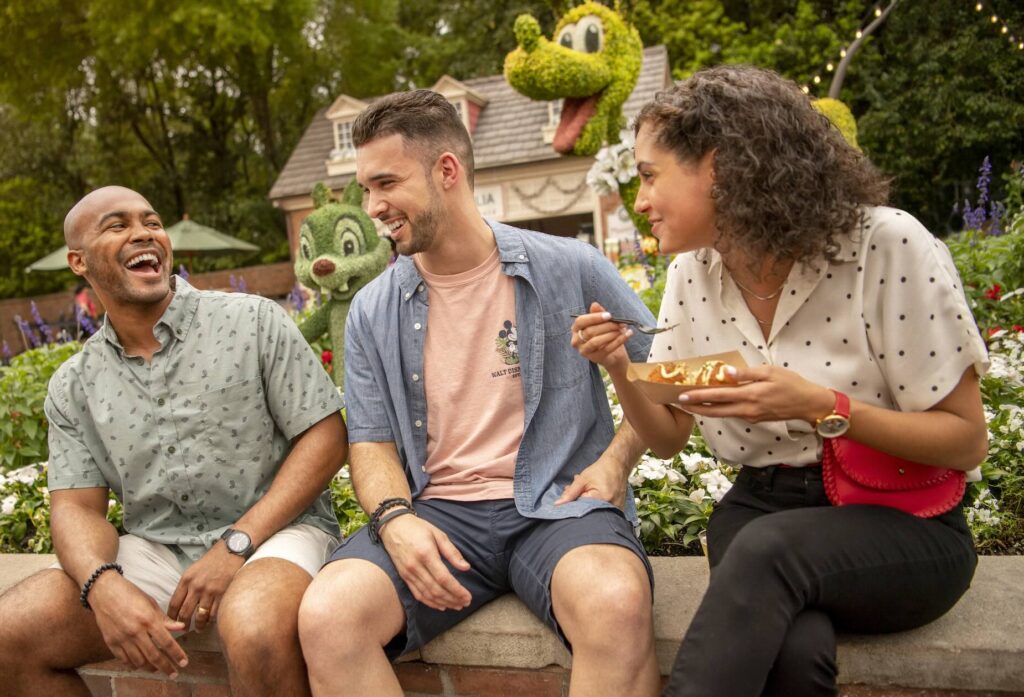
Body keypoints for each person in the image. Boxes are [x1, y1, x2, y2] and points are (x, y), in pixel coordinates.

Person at [572, 65, 989, 697]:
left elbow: (965, 441)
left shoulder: (886, 245)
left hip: (902, 520)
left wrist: (823, 405)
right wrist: (621, 369)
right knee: (793, 652)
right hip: (761, 508)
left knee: (766, 553)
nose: (640, 200)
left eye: (650, 175)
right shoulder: (692, 274)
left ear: (719, 167)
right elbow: (667, 436)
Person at [297, 89, 661, 697]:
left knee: (616, 603)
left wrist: (614, 461)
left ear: (447, 171)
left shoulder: (571, 265)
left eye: (385, 183)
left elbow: (663, 379)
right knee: (328, 617)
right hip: (439, 515)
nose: (372, 207)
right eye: (365, 189)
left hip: (558, 503)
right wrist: (393, 521)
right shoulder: (370, 310)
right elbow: (370, 442)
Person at [0, 186, 347, 697]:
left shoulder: (252, 321)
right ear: (79, 261)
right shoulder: (74, 384)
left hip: (279, 533)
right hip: (157, 549)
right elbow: (75, 508)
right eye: (117, 226)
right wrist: (103, 585)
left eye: (152, 222)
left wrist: (236, 543)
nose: (143, 233)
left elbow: (326, 436)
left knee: (253, 628)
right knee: (11, 634)